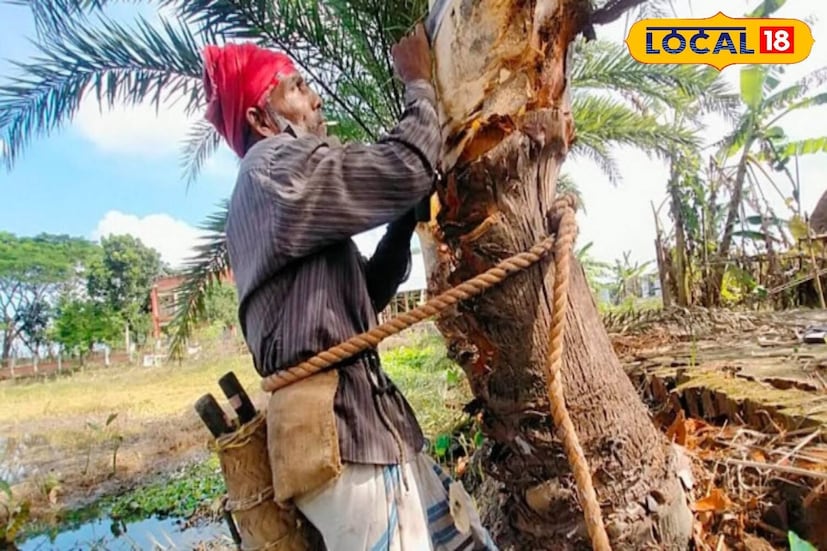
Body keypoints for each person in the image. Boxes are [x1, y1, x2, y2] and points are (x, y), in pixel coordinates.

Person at [202, 24, 497, 551]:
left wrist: (404, 222)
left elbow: (366, 293)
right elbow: (405, 168)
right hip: (345, 441)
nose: (314, 97)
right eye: (294, 88)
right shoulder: (272, 167)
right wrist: (418, 83)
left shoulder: (270, 192)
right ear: (259, 118)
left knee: (465, 539)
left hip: (367, 429)